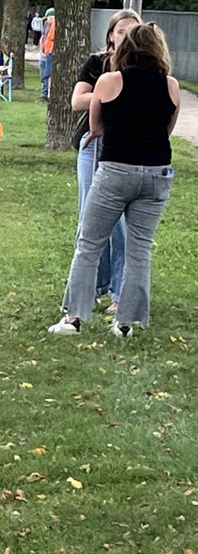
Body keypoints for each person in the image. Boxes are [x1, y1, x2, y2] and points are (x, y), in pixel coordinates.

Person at [49, 22, 180, 339]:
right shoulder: (171, 85)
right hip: (157, 173)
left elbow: (96, 125)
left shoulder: (109, 81)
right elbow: (168, 128)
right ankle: (126, 323)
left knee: (89, 244)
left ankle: (74, 318)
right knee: (140, 249)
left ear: (125, 48)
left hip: (116, 170)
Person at [68, 8, 141, 312]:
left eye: (133, 31)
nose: (126, 37)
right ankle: (92, 286)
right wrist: (110, 94)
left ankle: (119, 292)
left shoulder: (144, 66)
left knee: (122, 221)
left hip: (127, 146)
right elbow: (77, 100)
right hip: (93, 144)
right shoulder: (97, 63)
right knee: (90, 216)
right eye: (121, 31)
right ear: (111, 35)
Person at [39, 7, 56, 99]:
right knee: (43, 72)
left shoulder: (55, 26)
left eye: (47, 19)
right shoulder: (47, 25)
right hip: (45, 52)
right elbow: (43, 37)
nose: (46, 21)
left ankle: (46, 93)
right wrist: (41, 48)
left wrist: (49, 51)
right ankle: (44, 92)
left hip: (50, 53)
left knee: (48, 73)